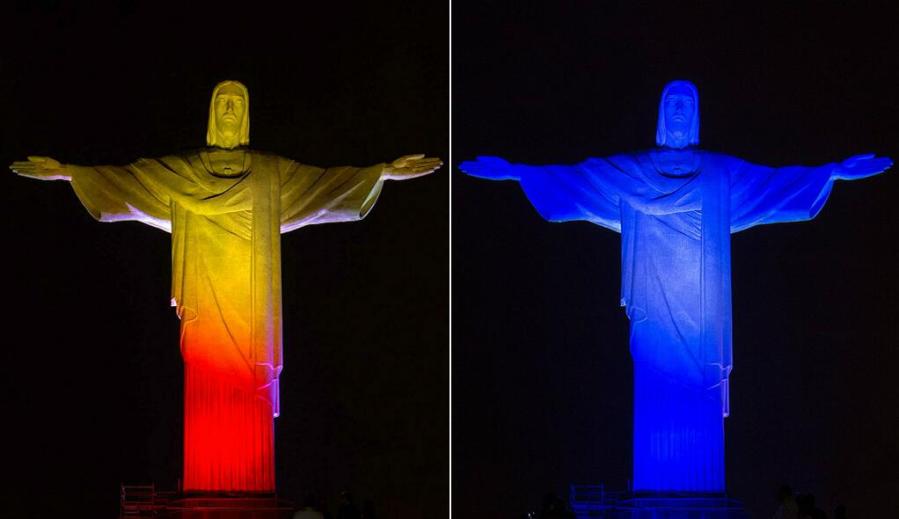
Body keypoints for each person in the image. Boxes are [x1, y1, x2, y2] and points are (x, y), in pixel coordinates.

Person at [11, 80, 441, 493]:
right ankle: (207, 484)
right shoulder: (183, 172)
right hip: (205, 306)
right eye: (223, 101)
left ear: (248, 113)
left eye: (238, 101)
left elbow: (326, 184)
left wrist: (383, 172)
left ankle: (250, 487)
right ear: (211, 114)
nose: (230, 108)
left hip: (252, 309)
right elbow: (130, 181)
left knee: (247, 397)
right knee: (207, 389)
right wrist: (69, 173)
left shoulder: (271, 173)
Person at [460, 80, 890, 492]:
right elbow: (581, 180)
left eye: (687, 102)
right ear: (661, 114)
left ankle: (701, 491)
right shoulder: (635, 170)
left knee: (698, 403)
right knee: (656, 394)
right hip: (654, 314)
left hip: (702, 316)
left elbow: (773, 184)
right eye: (672, 102)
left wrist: (832, 173)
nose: (679, 109)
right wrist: (517, 173)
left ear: (697, 114)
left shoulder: (719, 172)